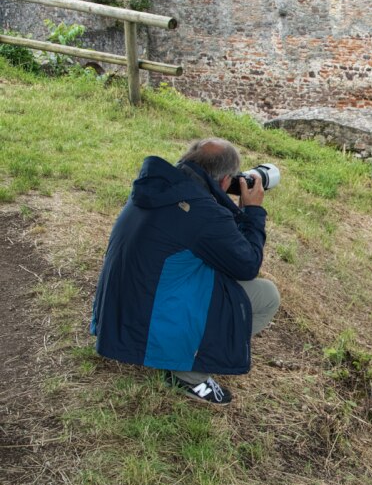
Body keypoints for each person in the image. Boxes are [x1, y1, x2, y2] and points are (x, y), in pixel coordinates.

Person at [90, 138, 280, 405]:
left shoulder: (159, 187)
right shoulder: (202, 211)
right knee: (266, 295)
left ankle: (170, 349)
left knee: (210, 271)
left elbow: (219, 244)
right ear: (226, 180)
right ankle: (188, 372)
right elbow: (247, 265)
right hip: (144, 324)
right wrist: (254, 212)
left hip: (117, 317)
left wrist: (225, 203)